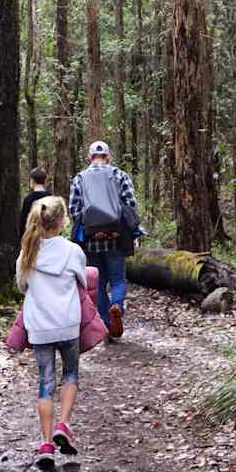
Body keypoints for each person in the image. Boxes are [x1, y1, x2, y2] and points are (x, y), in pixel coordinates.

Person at [16, 195, 87, 469]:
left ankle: (46, 444)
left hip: (39, 326)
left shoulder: (27, 253)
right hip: (68, 323)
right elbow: (82, 280)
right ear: (62, 221)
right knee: (70, 374)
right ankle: (64, 425)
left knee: (45, 384)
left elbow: (22, 287)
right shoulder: (73, 251)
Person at [68, 140, 142, 340]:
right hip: (117, 237)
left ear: (89, 158)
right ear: (108, 157)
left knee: (98, 282)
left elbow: (74, 210)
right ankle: (117, 305)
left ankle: (108, 325)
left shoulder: (79, 179)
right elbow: (130, 204)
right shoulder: (119, 175)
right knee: (118, 279)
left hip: (92, 240)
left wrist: (91, 226)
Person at [18, 166, 53, 249]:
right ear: (45, 181)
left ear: (32, 181)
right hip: (49, 239)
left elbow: (23, 222)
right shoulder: (51, 198)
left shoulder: (28, 199)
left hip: (33, 240)